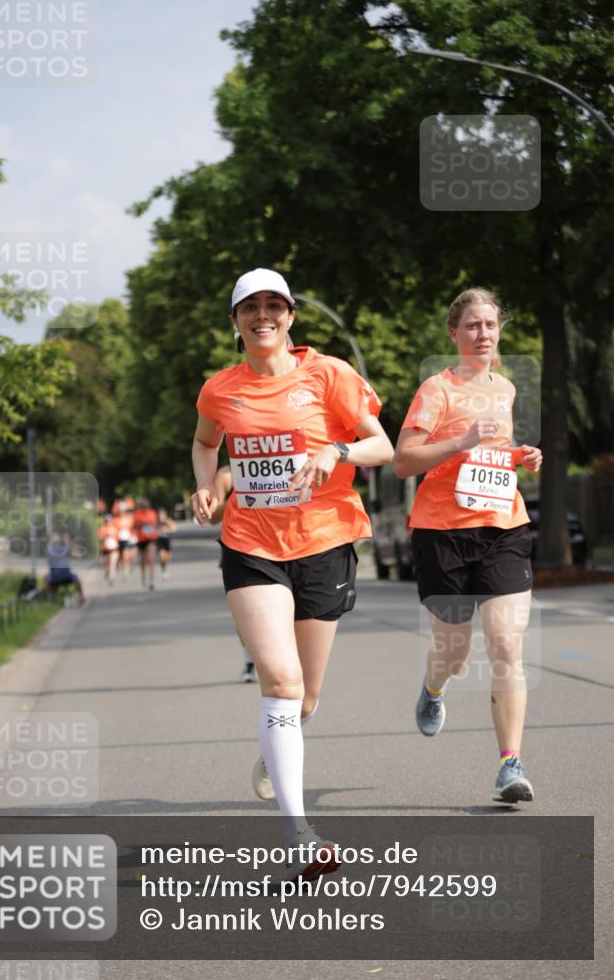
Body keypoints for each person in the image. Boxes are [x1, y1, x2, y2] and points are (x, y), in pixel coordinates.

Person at [191, 268, 394, 880]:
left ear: (290, 316)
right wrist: (206, 485)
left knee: (305, 696)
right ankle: (298, 833)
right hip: (250, 542)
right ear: (235, 321)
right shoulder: (219, 390)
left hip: (325, 541)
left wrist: (336, 451)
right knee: (279, 682)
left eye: (273, 306)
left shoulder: (329, 374)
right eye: (249, 307)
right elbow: (206, 444)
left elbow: (381, 445)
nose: (263, 316)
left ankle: (276, 752)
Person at [393, 287, 542, 804]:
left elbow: (493, 454)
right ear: (455, 334)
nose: (483, 334)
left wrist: (520, 455)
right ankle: (434, 688)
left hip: (503, 526)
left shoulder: (505, 388)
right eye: (472, 326)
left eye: (490, 325)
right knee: (454, 653)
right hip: (443, 534)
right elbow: (404, 461)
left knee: (506, 646)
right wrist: (460, 442)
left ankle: (510, 764)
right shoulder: (437, 390)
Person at [210, 465, 258, 684]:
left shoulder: (277, 463)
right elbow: (213, 516)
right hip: (240, 546)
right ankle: (249, 662)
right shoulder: (226, 476)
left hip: (281, 544)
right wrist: (237, 496)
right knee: (246, 614)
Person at [45, 530, 85, 604]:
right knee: (78, 578)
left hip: (54, 577)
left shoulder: (49, 550)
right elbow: (78, 554)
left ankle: (50, 598)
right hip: (66, 576)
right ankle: (81, 596)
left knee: (47, 578)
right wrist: (69, 542)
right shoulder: (65, 548)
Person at [133, 498, 159, 590]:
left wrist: (149, 524)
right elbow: (134, 526)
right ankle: (144, 578)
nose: (144, 507)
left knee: (151, 559)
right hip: (141, 539)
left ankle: (151, 580)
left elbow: (155, 524)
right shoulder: (137, 514)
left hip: (150, 539)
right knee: (143, 561)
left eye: (145, 506)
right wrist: (141, 524)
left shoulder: (152, 513)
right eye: (142, 506)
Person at [98, 513, 119, 585]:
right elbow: (99, 538)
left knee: (112, 563)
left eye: (109, 520)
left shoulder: (115, 528)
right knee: (106, 564)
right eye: (107, 520)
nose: (108, 522)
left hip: (114, 549)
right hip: (105, 549)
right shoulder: (102, 528)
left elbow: (118, 537)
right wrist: (105, 537)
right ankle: (107, 572)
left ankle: (111, 578)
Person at [156, 508, 178, 580]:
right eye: (159, 514)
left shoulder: (168, 521)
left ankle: (166, 567)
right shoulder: (156, 522)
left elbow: (175, 529)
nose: (160, 516)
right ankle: (164, 570)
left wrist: (167, 523)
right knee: (162, 556)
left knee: (167, 557)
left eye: (162, 514)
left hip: (167, 540)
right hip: (159, 540)